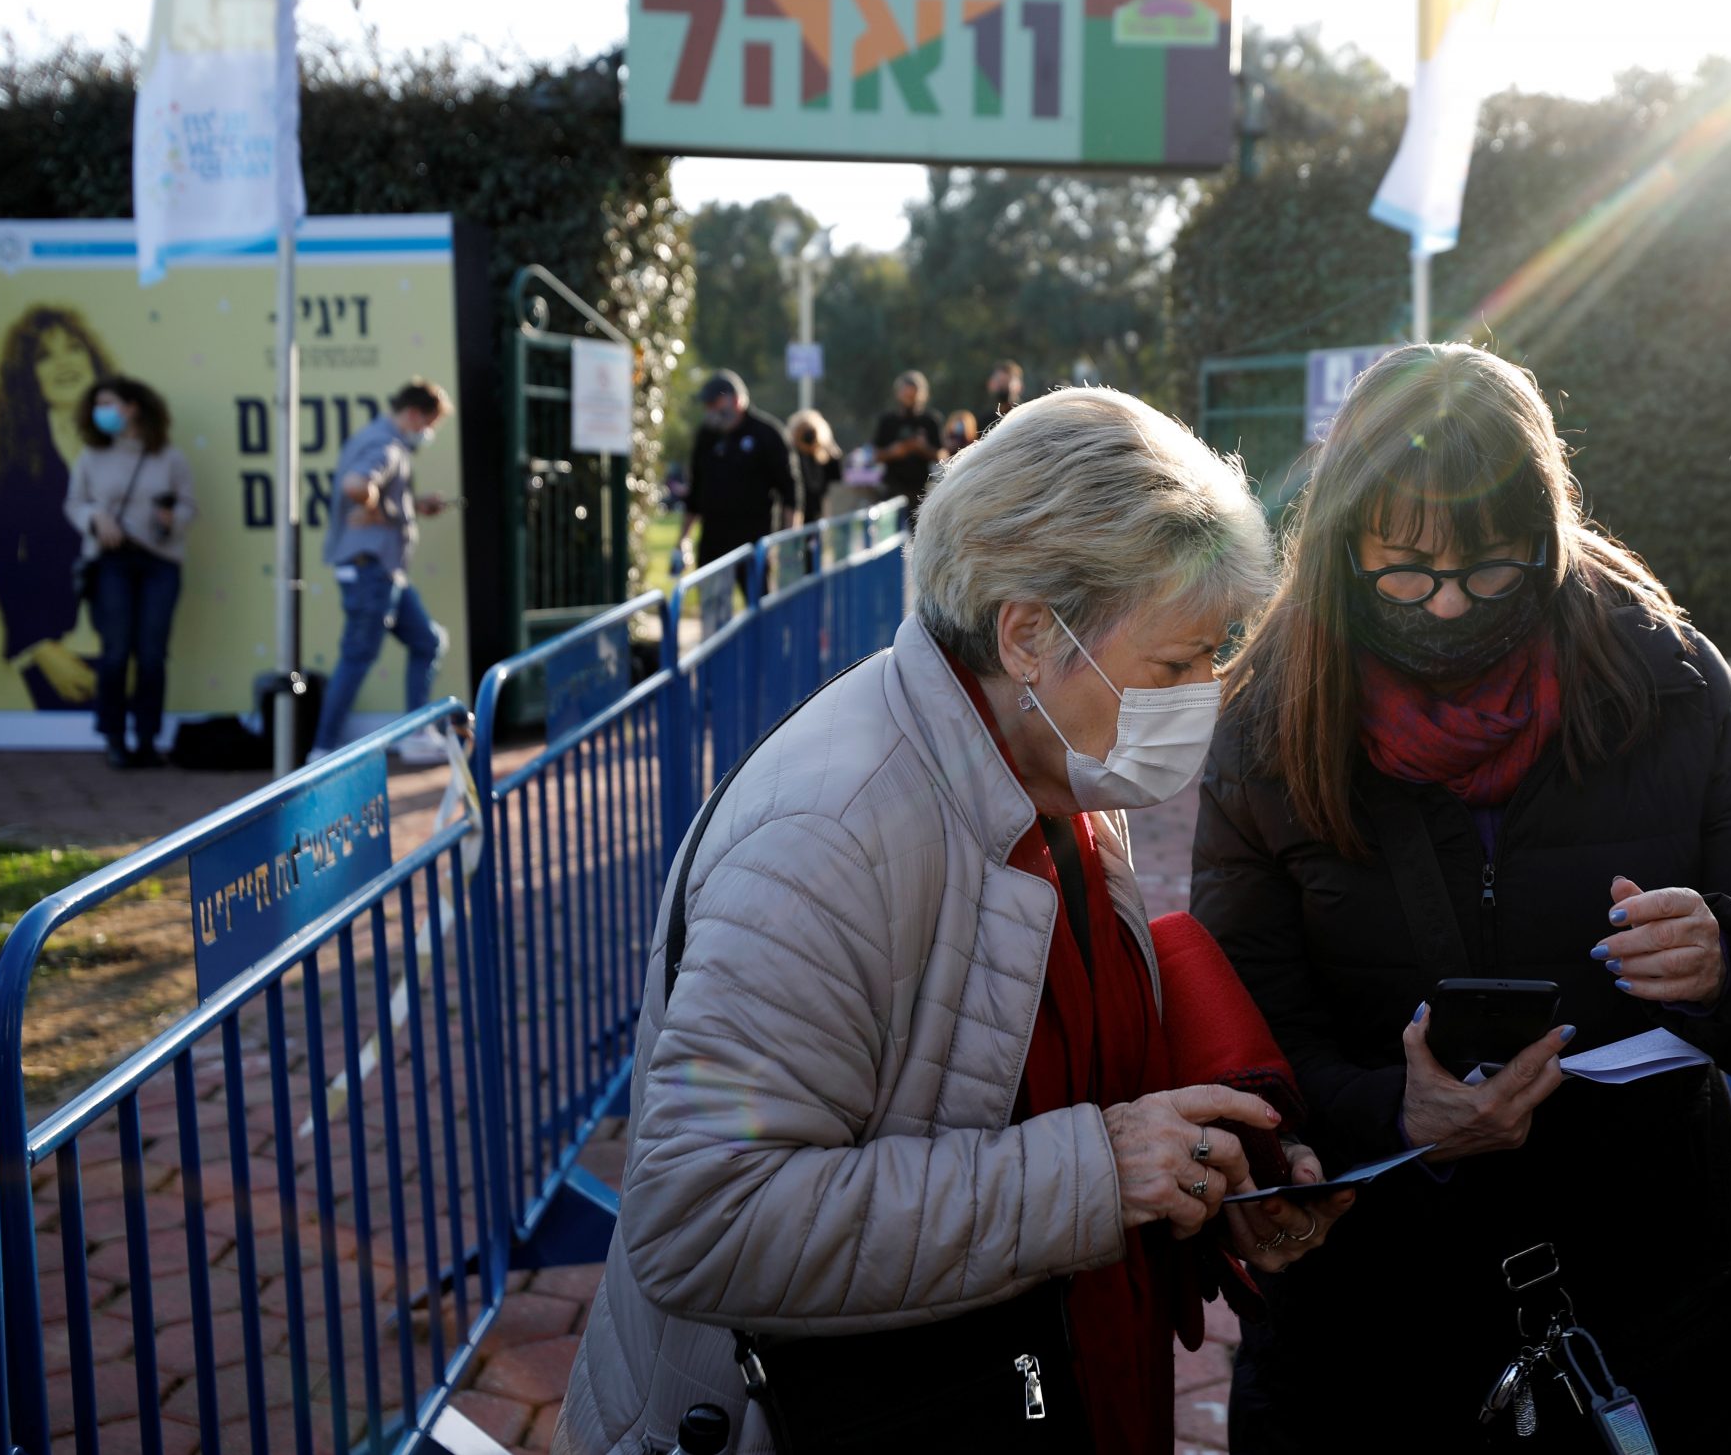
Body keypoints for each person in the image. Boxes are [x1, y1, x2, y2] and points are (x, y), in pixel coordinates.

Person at [555, 388, 1355, 1455]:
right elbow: (706, 1218)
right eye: (1176, 662)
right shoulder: (829, 836)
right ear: (1027, 632)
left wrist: (1205, 1177)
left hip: (1025, 1375)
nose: (1205, 691)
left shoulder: (1053, 765)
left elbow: (1050, 1062)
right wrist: (1098, 1171)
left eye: (1215, 653)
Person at [1195, 343, 1731, 1453]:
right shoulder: (1270, 720)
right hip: (1372, 1340)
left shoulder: (1665, 676)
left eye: (1492, 568)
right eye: (1406, 570)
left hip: (1645, 1313)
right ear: (1338, 548)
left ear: (1546, 537)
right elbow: (1249, 1037)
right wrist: (1391, 1114)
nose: (1451, 604)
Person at [310, 378, 456, 766]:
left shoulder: (377, 438)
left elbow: (372, 490)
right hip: (371, 572)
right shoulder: (386, 445)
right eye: (429, 424)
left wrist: (408, 505)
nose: (428, 434)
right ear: (412, 414)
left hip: (384, 573)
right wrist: (371, 500)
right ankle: (322, 750)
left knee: (427, 642)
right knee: (357, 657)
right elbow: (358, 484)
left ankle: (416, 734)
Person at [0, 304, 111, 711]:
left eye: (73, 348)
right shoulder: (15, 462)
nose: (63, 363)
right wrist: (40, 648)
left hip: (127, 640)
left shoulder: (133, 446)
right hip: (59, 652)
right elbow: (1, 557)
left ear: (92, 360)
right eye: (44, 356)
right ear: (28, 378)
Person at [64, 377, 196, 768]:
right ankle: (114, 737)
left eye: (109, 403)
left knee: (152, 655)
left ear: (133, 406)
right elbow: (74, 504)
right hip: (111, 561)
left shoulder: (169, 457)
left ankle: (147, 738)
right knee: (116, 652)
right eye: (97, 404)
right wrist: (95, 518)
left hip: (159, 561)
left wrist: (171, 519)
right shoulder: (91, 455)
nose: (101, 411)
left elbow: (190, 507)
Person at [680, 369, 798, 598]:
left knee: (760, 610)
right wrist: (682, 540)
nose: (710, 410)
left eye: (714, 403)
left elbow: (790, 490)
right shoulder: (707, 437)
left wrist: (789, 540)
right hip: (713, 543)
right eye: (707, 405)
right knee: (714, 612)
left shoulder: (767, 434)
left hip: (753, 544)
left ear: (736, 400)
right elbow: (695, 493)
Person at [871, 368, 945, 518]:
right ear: (898, 394)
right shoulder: (887, 421)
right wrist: (894, 452)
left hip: (922, 492)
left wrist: (923, 448)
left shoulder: (930, 420)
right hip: (893, 490)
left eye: (913, 396)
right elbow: (875, 455)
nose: (909, 400)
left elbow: (942, 455)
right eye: (906, 395)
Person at [787, 408, 843, 524]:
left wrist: (827, 444)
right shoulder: (793, 455)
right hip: (799, 510)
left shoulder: (823, 455)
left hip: (818, 510)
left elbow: (837, 473)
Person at [979, 358, 1025, 435]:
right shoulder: (984, 421)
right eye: (999, 381)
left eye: (1007, 382)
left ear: (1020, 386)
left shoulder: (1025, 415)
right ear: (990, 384)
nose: (1003, 386)